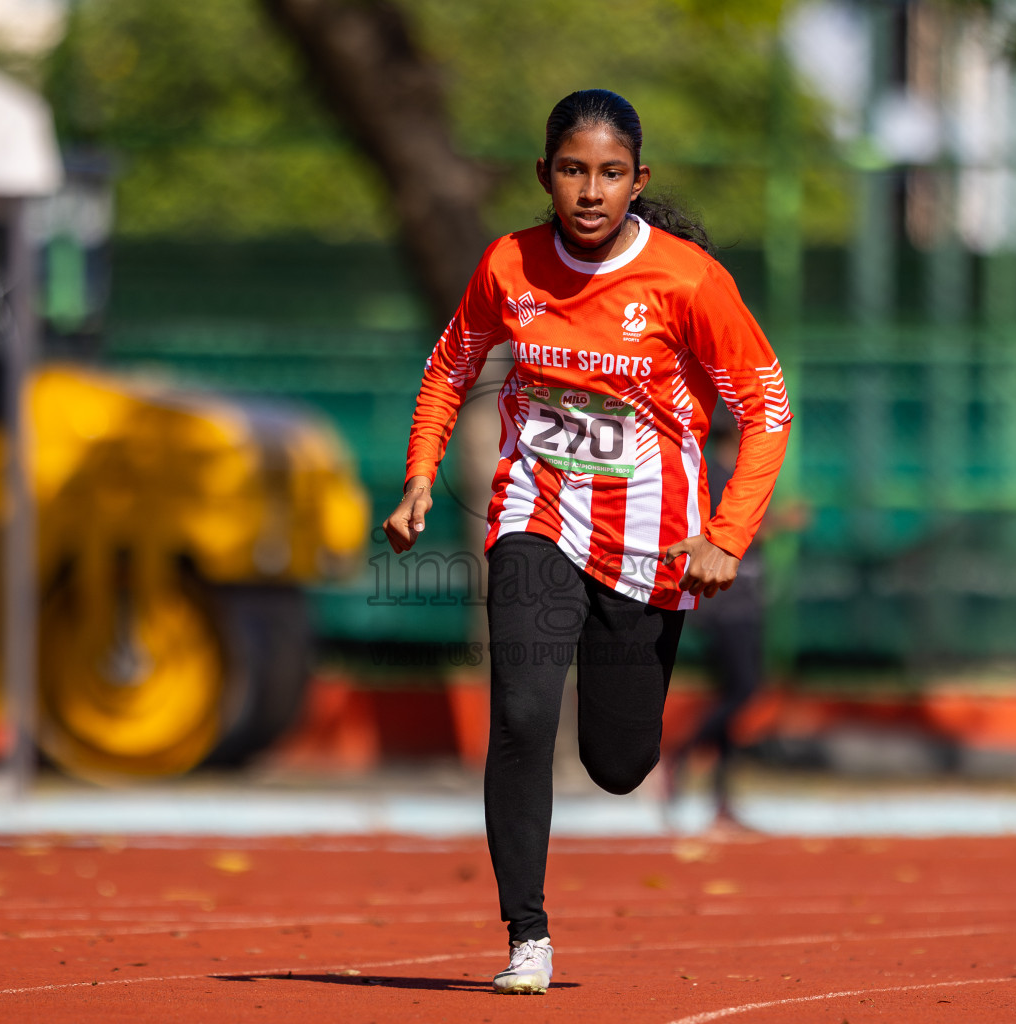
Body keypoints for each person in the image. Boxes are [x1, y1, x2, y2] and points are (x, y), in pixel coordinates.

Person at [382, 90, 790, 994]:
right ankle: (526, 934)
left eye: (610, 174)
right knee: (523, 717)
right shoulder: (508, 265)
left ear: (637, 181)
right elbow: (451, 365)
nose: (591, 191)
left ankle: (626, 733)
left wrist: (727, 533)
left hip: (653, 545)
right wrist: (420, 473)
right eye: (573, 171)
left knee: (618, 763)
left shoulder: (688, 282)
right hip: (535, 517)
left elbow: (768, 407)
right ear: (546, 176)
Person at [662, 410, 810, 836]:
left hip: (743, 600)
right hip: (726, 604)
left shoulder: (734, 472)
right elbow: (728, 532)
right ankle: (681, 756)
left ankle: (721, 800)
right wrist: (782, 523)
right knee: (745, 688)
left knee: (734, 694)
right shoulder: (718, 473)